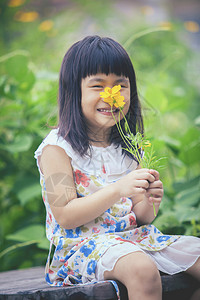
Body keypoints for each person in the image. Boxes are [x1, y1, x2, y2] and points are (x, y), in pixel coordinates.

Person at [34, 35, 200, 300]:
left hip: (133, 239)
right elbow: (64, 215)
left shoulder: (129, 146)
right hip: (81, 249)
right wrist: (117, 189)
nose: (111, 96)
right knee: (141, 269)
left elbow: (141, 217)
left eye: (120, 86)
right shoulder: (56, 148)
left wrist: (150, 200)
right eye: (98, 86)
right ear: (72, 91)